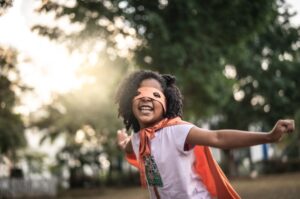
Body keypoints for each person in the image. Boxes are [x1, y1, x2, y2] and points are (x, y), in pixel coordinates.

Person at [115, 70, 295, 199]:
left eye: (155, 95)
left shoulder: (176, 131)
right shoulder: (138, 139)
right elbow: (129, 145)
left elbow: (218, 137)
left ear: (166, 103)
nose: (147, 98)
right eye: (139, 94)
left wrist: (268, 137)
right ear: (128, 101)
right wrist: (123, 143)